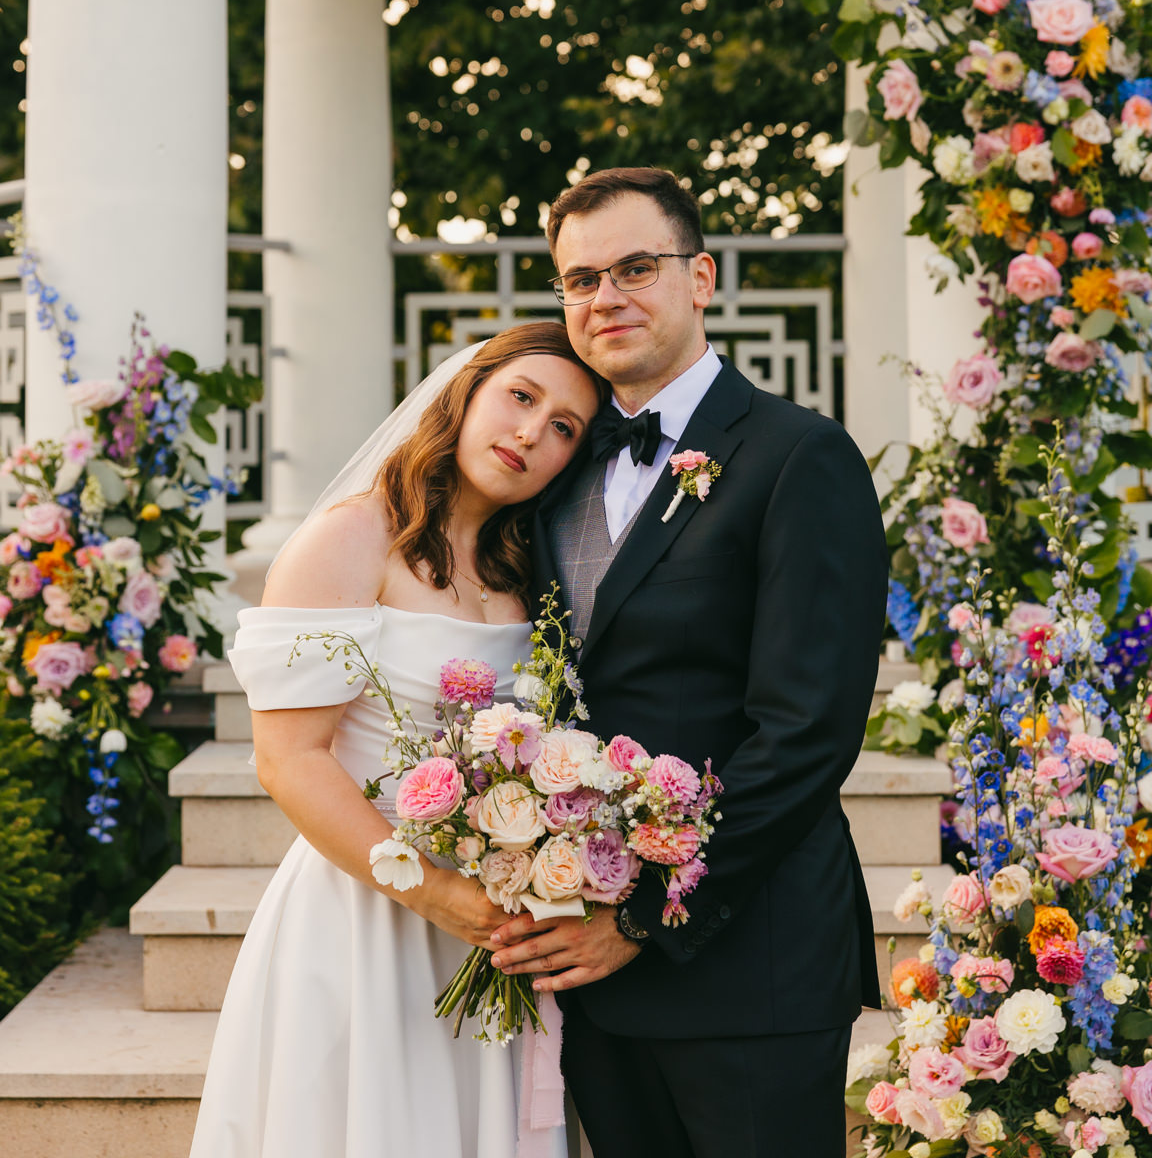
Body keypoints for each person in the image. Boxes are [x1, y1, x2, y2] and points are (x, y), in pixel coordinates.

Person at [489, 166, 888, 1158]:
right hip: (592, 977)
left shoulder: (800, 456)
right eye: (581, 280)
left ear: (700, 278)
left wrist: (642, 919)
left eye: (635, 268)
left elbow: (806, 733)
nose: (606, 297)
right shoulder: (553, 467)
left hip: (750, 961)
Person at [189, 321, 605, 1158]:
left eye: (564, 427)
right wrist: (434, 894)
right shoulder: (352, 537)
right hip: (365, 910)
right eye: (520, 397)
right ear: (465, 395)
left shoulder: (526, 566)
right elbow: (288, 761)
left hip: (492, 923)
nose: (532, 432)